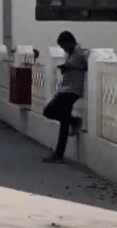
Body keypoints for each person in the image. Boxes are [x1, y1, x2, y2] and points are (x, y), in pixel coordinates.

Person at [42, 30, 88, 163]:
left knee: (49, 111)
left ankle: (74, 121)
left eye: (63, 45)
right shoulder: (71, 53)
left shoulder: (80, 53)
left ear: (70, 42)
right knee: (63, 122)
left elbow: (85, 66)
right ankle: (59, 154)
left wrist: (70, 67)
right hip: (65, 89)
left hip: (72, 90)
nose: (63, 49)